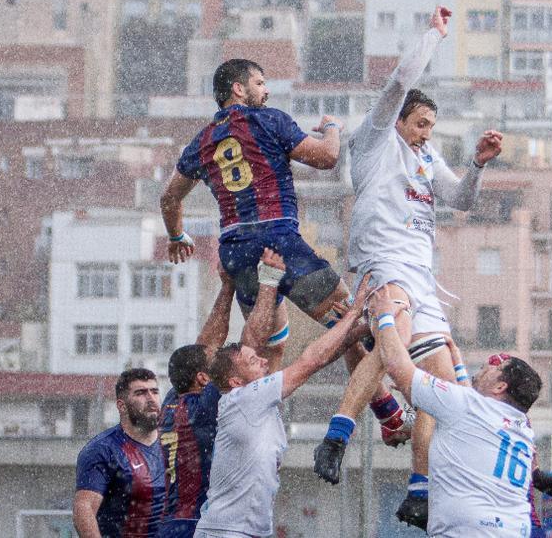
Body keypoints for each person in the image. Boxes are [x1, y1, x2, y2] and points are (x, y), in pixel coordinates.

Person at [313, 5, 505, 530]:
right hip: (382, 265)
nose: (425, 132)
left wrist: (479, 164)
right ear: (398, 120)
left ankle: (419, 491)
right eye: (420, 123)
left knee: (440, 393)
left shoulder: (426, 158)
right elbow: (401, 80)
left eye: (431, 126)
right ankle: (336, 436)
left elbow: (461, 200)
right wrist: (434, 36)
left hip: (424, 282)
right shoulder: (375, 140)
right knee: (390, 335)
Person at [160, 56, 410, 442]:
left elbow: (169, 198)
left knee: (262, 353)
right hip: (280, 239)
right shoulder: (269, 120)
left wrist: (177, 237)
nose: (267, 89)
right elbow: (327, 158)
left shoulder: (201, 141)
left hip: (237, 249)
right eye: (260, 82)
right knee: (350, 323)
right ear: (238, 89)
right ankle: (392, 412)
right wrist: (331, 128)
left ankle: (256, 428)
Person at [192, 258, 370, 538]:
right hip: (227, 532)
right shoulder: (245, 399)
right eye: (252, 361)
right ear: (235, 382)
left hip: (243, 530)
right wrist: (353, 314)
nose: (262, 362)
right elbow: (310, 361)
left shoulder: (254, 400)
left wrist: (361, 330)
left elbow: (318, 362)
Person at [368, 284, 544, 537]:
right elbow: (471, 404)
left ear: (501, 386)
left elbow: (398, 366)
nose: (488, 366)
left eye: (496, 367)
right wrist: (458, 365)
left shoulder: (464, 406)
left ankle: (419, 484)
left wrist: (385, 316)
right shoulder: (521, 428)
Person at [158, 254, 286, 538]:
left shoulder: (171, 401)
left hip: (169, 525)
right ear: (204, 378)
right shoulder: (205, 406)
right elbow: (248, 346)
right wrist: (268, 281)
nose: (219, 361)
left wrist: (227, 286)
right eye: (213, 365)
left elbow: (204, 346)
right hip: (199, 526)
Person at [74, 368, 166, 538]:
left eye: (154, 391)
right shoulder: (102, 449)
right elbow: (84, 509)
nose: (151, 398)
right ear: (121, 406)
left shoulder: (175, 442)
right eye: (141, 393)